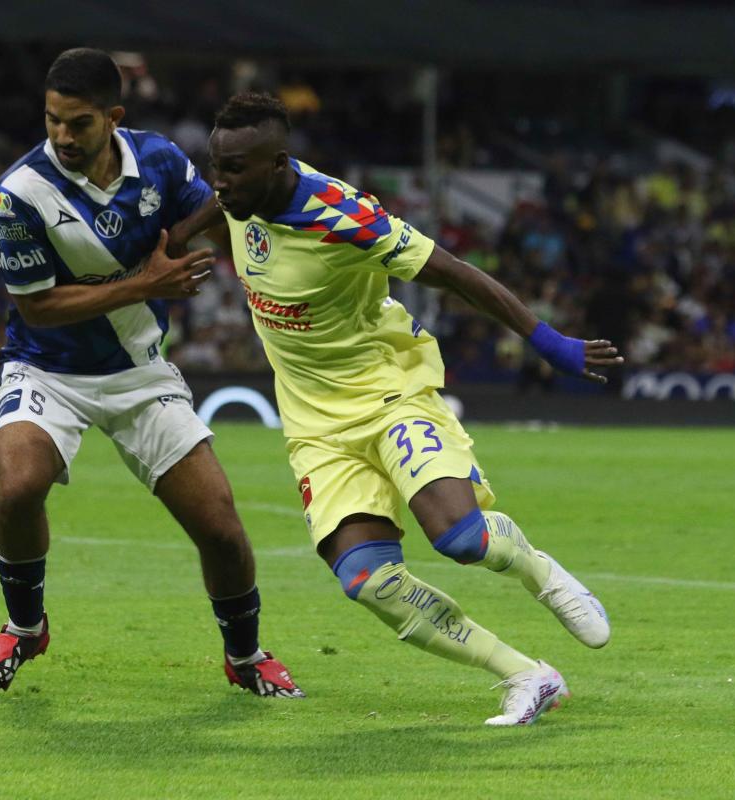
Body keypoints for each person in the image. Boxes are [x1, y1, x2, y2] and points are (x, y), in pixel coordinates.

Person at [195, 92, 621, 725]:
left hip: (385, 389)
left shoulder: (343, 215)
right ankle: (527, 676)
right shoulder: (235, 198)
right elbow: (184, 216)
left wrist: (546, 341)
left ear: (277, 163)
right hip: (314, 422)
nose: (219, 184)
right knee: (367, 579)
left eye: (233, 170)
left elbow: (453, 273)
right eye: (215, 166)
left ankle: (541, 572)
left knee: (459, 536)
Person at [0, 49, 302, 698]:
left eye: (79, 123)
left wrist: (270, 272)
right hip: (47, 368)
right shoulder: (19, 194)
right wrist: (145, 285)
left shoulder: (158, 160)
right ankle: (25, 625)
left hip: (138, 372)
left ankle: (246, 655)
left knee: (221, 527)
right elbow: (37, 305)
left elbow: (217, 216)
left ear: (113, 117)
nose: (63, 136)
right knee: (17, 489)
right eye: (52, 121)